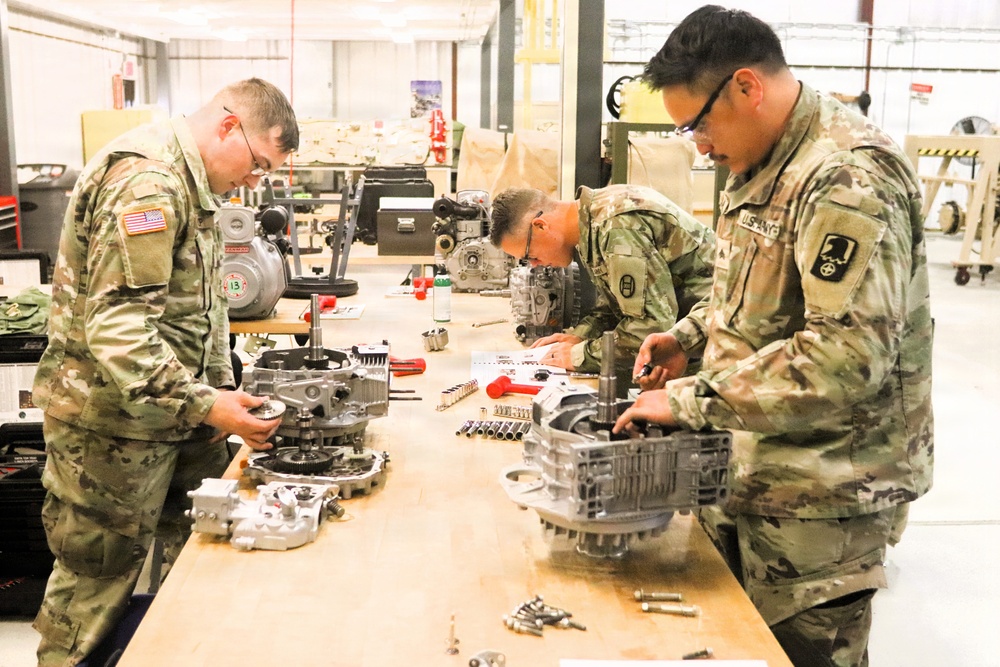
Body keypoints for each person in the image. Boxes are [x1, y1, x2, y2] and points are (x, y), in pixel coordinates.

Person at [612, 7, 933, 667]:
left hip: (822, 501)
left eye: (696, 124)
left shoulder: (848, 176)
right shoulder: (758, 159)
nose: (695, 144)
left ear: (746, 88)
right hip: (748, 470)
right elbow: (746, 292)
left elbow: (843, 359)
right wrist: (689, 337)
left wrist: (688, 400)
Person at [31, 78, 299, 666]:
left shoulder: (193, 182)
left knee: (203, 571)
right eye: (257, 165)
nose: (255, 182)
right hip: (112, 430)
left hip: (178, 418)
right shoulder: (148, 182)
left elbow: (206, 305)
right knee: (94, 591)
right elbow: (118, 328)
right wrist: (208, 405)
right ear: (229, 125)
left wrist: (224, 392)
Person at [489, 185, 715, 388]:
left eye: (530, 256)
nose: (535, 266)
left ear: (540, 226)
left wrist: (578, 356)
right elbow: (616, 305)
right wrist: (580, 336)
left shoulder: (615, 227)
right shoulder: (593, 223)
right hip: (693, 337)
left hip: (714, 338)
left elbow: (650, 327)